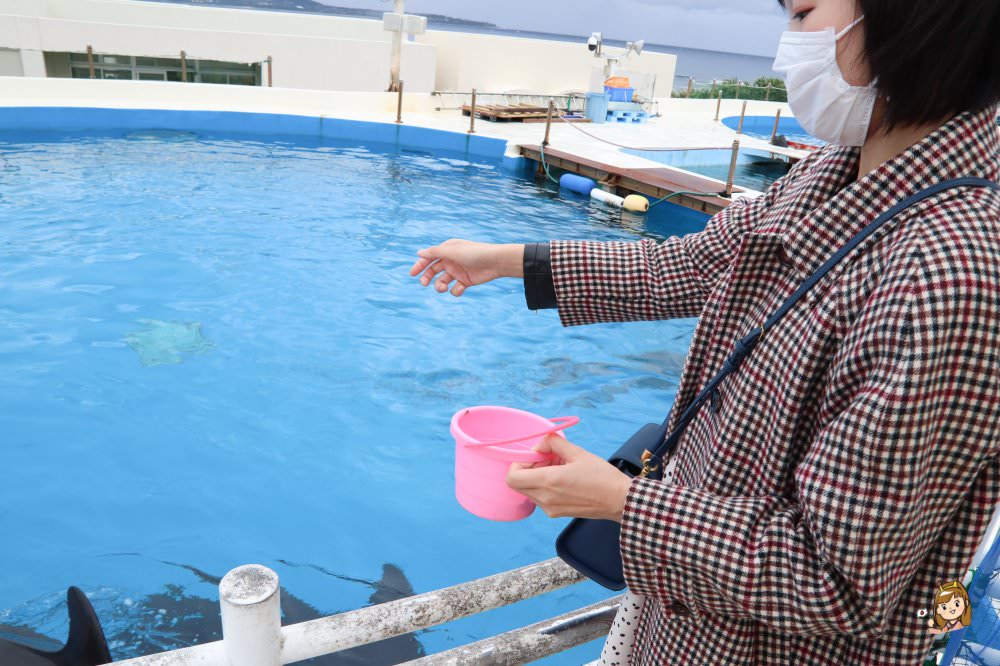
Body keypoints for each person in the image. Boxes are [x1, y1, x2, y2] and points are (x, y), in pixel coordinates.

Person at [409, 0, 1000, 662]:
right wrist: (508, 261)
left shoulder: (950, 274)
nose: (786, 50)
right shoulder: (829, 175)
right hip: (686, 615)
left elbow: (834, 580)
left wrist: (625, 505)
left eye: (804, 13)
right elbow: (686, 267)